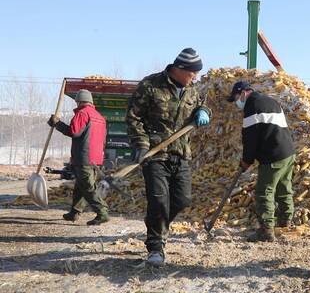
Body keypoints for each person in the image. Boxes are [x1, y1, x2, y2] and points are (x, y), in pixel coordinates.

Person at [126, 48, 211, 267]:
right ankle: (156, 246)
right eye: (193, 73)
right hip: (155, 155)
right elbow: (134, 117)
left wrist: (204, 112)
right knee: (158, 200)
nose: (195, 77)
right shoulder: (151, 85)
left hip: (181, 154)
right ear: (180, 69)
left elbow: (201, 104)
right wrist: (142, 145)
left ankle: (156, 223)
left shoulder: (192, 90)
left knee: (182, 200)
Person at [226, 81, 296, 242]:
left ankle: (266, 230)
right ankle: (286, 222)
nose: (237, 102)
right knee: (284, 187)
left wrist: (246, 161)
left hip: (273, 155)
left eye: (236, 98)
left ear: (243, 93)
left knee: (264, 191)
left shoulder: (253, 106)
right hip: (288, 152)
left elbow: (250, 139)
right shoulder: (269, 101)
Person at [48, 89, 109, 225]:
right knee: (80, 186)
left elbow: (73, 131)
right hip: (95, 158)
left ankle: (102, 212)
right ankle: (75, 212)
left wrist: (57, 123)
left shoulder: (82, 113)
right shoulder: (99, 117)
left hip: (84, 157)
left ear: (79, 101)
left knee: (87, 187)